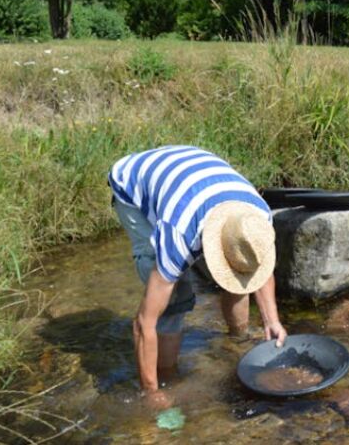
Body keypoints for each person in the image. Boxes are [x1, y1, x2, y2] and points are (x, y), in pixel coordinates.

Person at [108, 145, 287, 410]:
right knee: (174, 300)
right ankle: (168, 376)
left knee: (241, 277)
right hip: (132, 183)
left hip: (194, 176)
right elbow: (143, 323)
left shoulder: (257, 220)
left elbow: (259, 271)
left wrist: (271, 320)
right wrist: (152, 391)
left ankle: (237, 339)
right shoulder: (179, 235)